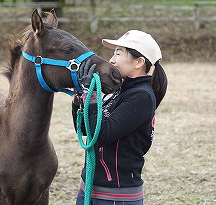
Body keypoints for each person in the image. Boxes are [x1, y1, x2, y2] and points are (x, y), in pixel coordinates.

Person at [72, 30, 168, 205]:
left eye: (118, 53)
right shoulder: (118, 90)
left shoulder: (141, 96)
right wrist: (80, 98)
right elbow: (87, 130)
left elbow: (103, 134)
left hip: (116, 197)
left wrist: (91, 96)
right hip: (90, 188)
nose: (111, 60)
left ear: (139, 62)